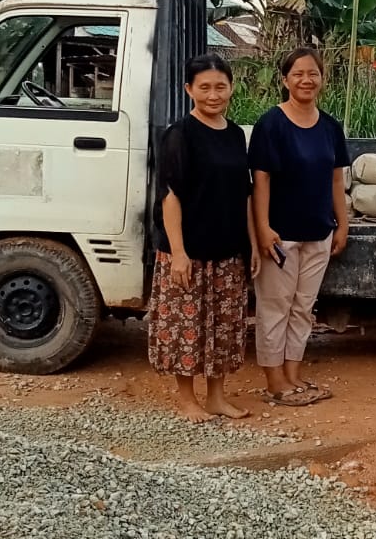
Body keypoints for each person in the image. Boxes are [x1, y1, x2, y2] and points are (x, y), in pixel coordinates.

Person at [148, 54, 260, 422]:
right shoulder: (178, 135)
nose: (214, 95)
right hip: (188, 253)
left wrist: (253, 245)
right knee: (186, 328)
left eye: (221, 86)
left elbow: (244, 195)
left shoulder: (233, 135)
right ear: (189, 90)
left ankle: (216, 397)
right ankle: (186, 399)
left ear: (231, 88)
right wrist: (178, 252)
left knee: (224, 329)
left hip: (228, 250)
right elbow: (171, 196)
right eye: (205, 87)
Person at [249, 46, 350, 406]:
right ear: (285, 79)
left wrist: (342, 223)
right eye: (298, 74)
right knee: (275, 307)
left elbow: (336, 180)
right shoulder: (271, 125)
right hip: (281, 235)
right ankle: (274, 381)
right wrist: (263, 227)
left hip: (319, 232)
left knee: (303, 307)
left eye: (313, 74)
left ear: (322, 79)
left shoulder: (329, 127)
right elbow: (260, 182)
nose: (306, 80)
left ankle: (293, 375)